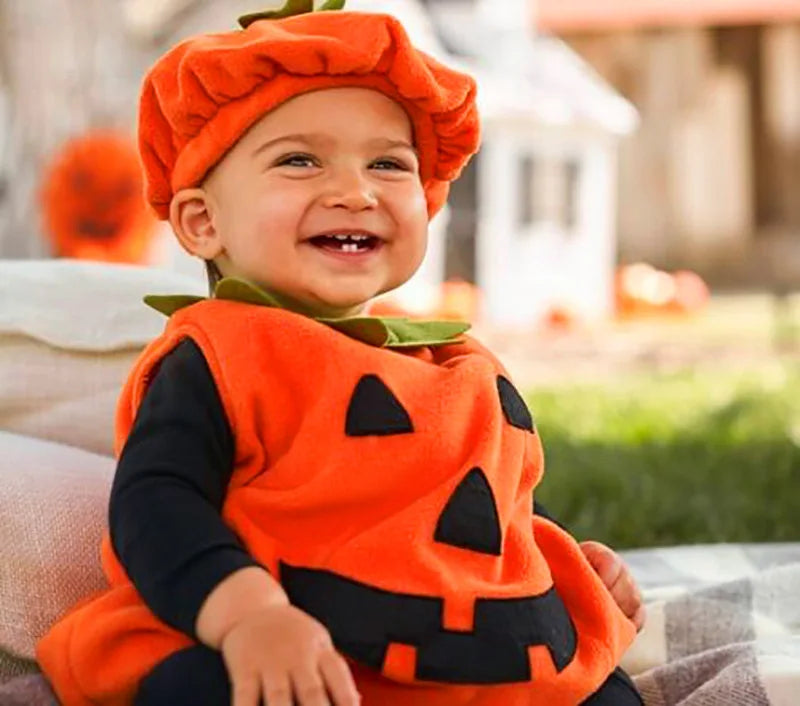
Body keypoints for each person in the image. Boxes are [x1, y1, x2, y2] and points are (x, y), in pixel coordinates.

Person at [37, 4, 645, 705]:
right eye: (299, 160)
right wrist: (249, 617)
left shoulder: (458, 365)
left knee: (601, 686)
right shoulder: (223, 353)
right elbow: (156, 504)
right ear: (203, 222)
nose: (355, 191)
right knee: (204, 686)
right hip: (292, 646)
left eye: (388, 163)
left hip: (467, 658)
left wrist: (558, 558)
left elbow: (469, 509)